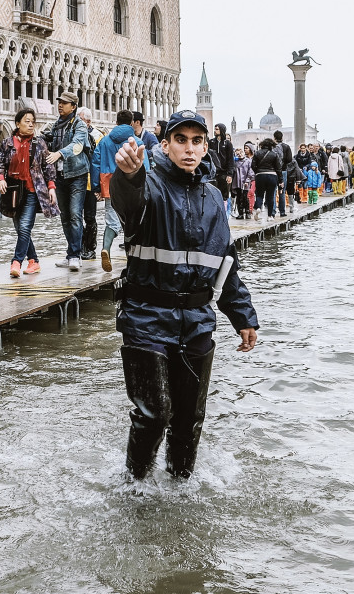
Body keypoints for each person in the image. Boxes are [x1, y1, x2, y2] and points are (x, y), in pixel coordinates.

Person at [110, 109, 258, 479]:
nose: (189, 148)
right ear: (165, 145)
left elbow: (225, 262)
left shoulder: (213, 197)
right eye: (180, 140)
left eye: (196, 141)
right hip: (145, 318)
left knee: (190, 418)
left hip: (196, 323)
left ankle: (180, 486)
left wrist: (242, 316)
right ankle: (134, 488)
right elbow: (128, 201)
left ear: (206, 148)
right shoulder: (149, 185)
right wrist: (129, 174)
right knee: (154, 414)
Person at [0, 108, 59, 276]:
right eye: (27, 121)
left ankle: (16, 262)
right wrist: (1, 178)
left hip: (32, 191)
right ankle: (34, 261)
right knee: (20, 229)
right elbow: (0, 162)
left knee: (24, 227)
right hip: (13, 191)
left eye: (32, 121)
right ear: (18, 124)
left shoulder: (39, 143)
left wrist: (51, 188)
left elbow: (48, 168)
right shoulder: (8, 143)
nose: (31, 124)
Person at [93, 110, 146, 271]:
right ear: (131, 123)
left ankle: (105, 249)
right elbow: (145, 165)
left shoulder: (104, 140)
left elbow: (95, 162)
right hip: (133, 186)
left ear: (116, 122)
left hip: (109, 184)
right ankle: (132, 258)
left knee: (111, 220)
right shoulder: (135, 141)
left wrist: (96, 186)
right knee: (134, 221)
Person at [44, 92, 91, 271]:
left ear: (73, 107)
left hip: (77, 175)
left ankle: (75, 255)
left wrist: (60, 153)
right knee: (64, 217)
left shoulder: (79, 125)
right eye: (60, 102)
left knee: (75, 214)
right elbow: (49, 138)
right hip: (61, 176)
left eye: (65, 103)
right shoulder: (57, 124)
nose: (60, 105)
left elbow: (78, 145)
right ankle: (71, 253)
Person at [79, 108, 103, 260]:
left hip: (90, 183)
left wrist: (99, 186)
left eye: (80, 120)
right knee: (74, 216)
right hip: (75, 181)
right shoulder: (75, 133)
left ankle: (90, 248)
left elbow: (100, 162)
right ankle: (79, 247)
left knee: (89, 217)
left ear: (88, 121)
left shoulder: (98, 136)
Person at [251, 137, 281, 220]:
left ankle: (258, 208)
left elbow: (253, 165)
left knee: (259, 194)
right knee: (270, 196)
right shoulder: (274, 154)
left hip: (260, 175)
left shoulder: (257, 153)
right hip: (272, 175)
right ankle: (270, 216)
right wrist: (281, 180)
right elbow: (278, 168)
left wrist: (258, 171)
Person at [209, 123, 235, 213]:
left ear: (222, 130)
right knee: (213, 194)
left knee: (224, 195)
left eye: (217, 129)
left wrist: (230, 174)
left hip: (224, 173)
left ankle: (224, 214)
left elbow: (230, 160)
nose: (215, 131)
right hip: (214, 173)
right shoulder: (211, 142)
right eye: (214, 129)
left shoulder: (228, 144)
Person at [232, 142, 254, 219]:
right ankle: (240, 212)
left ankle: (247, 212)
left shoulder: (248, 161)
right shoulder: (235, 162)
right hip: (237, 182)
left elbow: (250, 172)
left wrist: (247, 181)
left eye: (241, 153)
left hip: (245, 182)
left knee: (245, 197)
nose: (240, 155)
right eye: (238, 154)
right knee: (239, 197)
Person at [273, 130, 292, 215]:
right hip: (283, 170)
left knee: (273, 192)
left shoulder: (272, 147)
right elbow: (289, 159)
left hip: (273, 171)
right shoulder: (286, 147)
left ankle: (272, 211)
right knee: (282, 191)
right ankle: (282, 211)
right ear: (282, 138)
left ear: (274, 138)